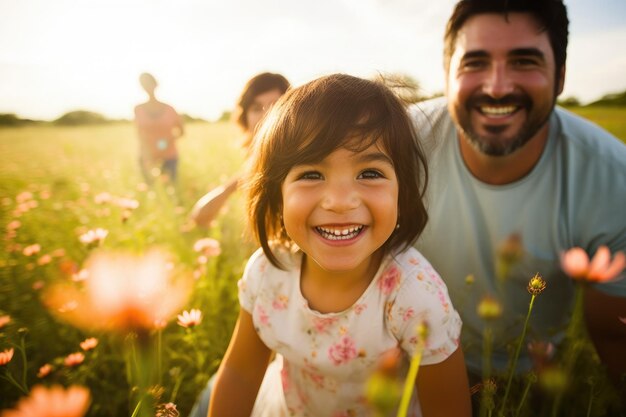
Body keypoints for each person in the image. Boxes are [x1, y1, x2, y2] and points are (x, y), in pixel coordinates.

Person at [189, 74, 471, 417]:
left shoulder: (414, 296)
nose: (339, 201)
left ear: (403, 191)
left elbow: (448, 408)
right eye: (311, 174)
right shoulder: (266, 272)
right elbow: (241, 374)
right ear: (277, 197)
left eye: (369, 173)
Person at [410, 0, 626, 395]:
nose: (497, 87)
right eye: (474, 62)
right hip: (403, 371)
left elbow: (615, 336)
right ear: (447, 75)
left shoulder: (614, 177)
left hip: (527, 381)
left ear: (560, 77)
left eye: (524, 61)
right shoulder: (396, 146)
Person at [190, 72, 290, 227]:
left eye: (275, 105)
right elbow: (199, 217)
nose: (266, 115)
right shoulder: (255, 166)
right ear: (245, 118)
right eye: (256, 108)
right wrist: (230, 187)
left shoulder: (304, 159)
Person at [134, 72, 184, 184]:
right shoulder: (138, 109)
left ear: (155, 84)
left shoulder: (170, 109)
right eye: (144, 84)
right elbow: (138, 133)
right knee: (151, 188)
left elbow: (181, 131)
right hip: (147, 156)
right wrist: (148, 152)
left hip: (169, 155)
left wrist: (167, 143)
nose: (147, 87)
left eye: (149, 83)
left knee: (171, 187)